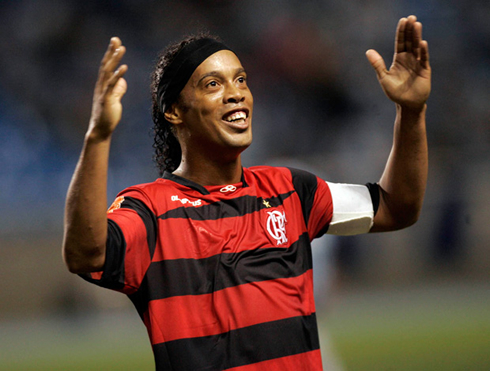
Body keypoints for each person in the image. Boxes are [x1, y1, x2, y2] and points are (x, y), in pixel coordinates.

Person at [62, 15, 430, 371]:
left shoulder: (291, 190)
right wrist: (98, 137)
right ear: (174, 110)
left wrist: (410, 111)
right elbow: (84, 253)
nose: (235, 94)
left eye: (241, 80)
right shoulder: (151, 210)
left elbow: (397, 207)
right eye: (213, 84)